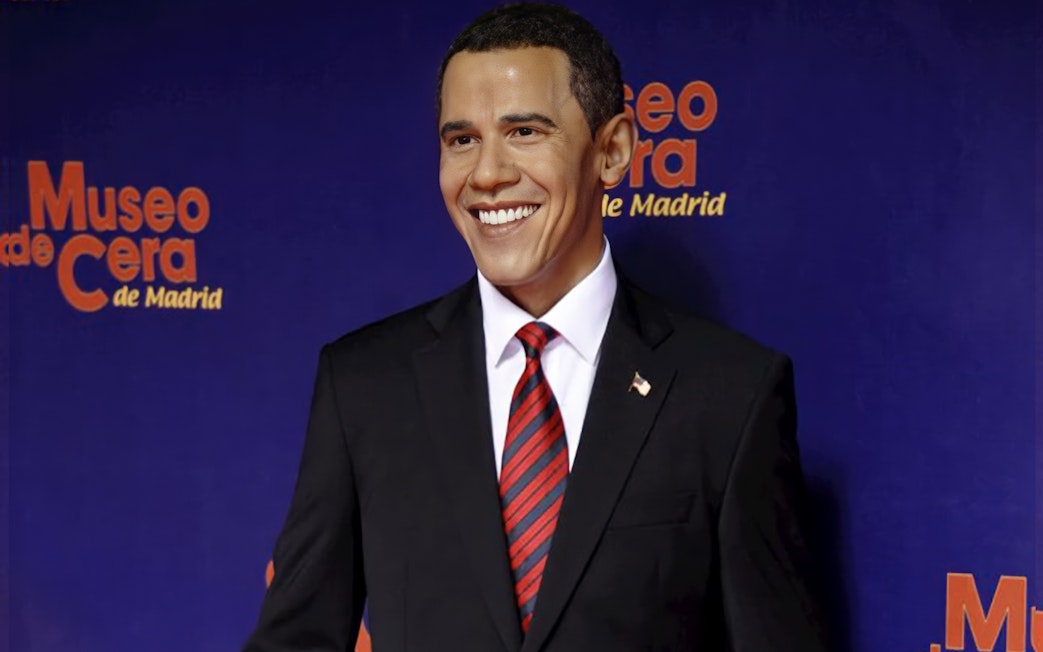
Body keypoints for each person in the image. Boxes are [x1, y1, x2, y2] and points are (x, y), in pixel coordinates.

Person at [243, 4, 826, 651]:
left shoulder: (730, 395)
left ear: (611, 151)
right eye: (461, 140)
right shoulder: (362, 386)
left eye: (523, 132)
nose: (487, 174)